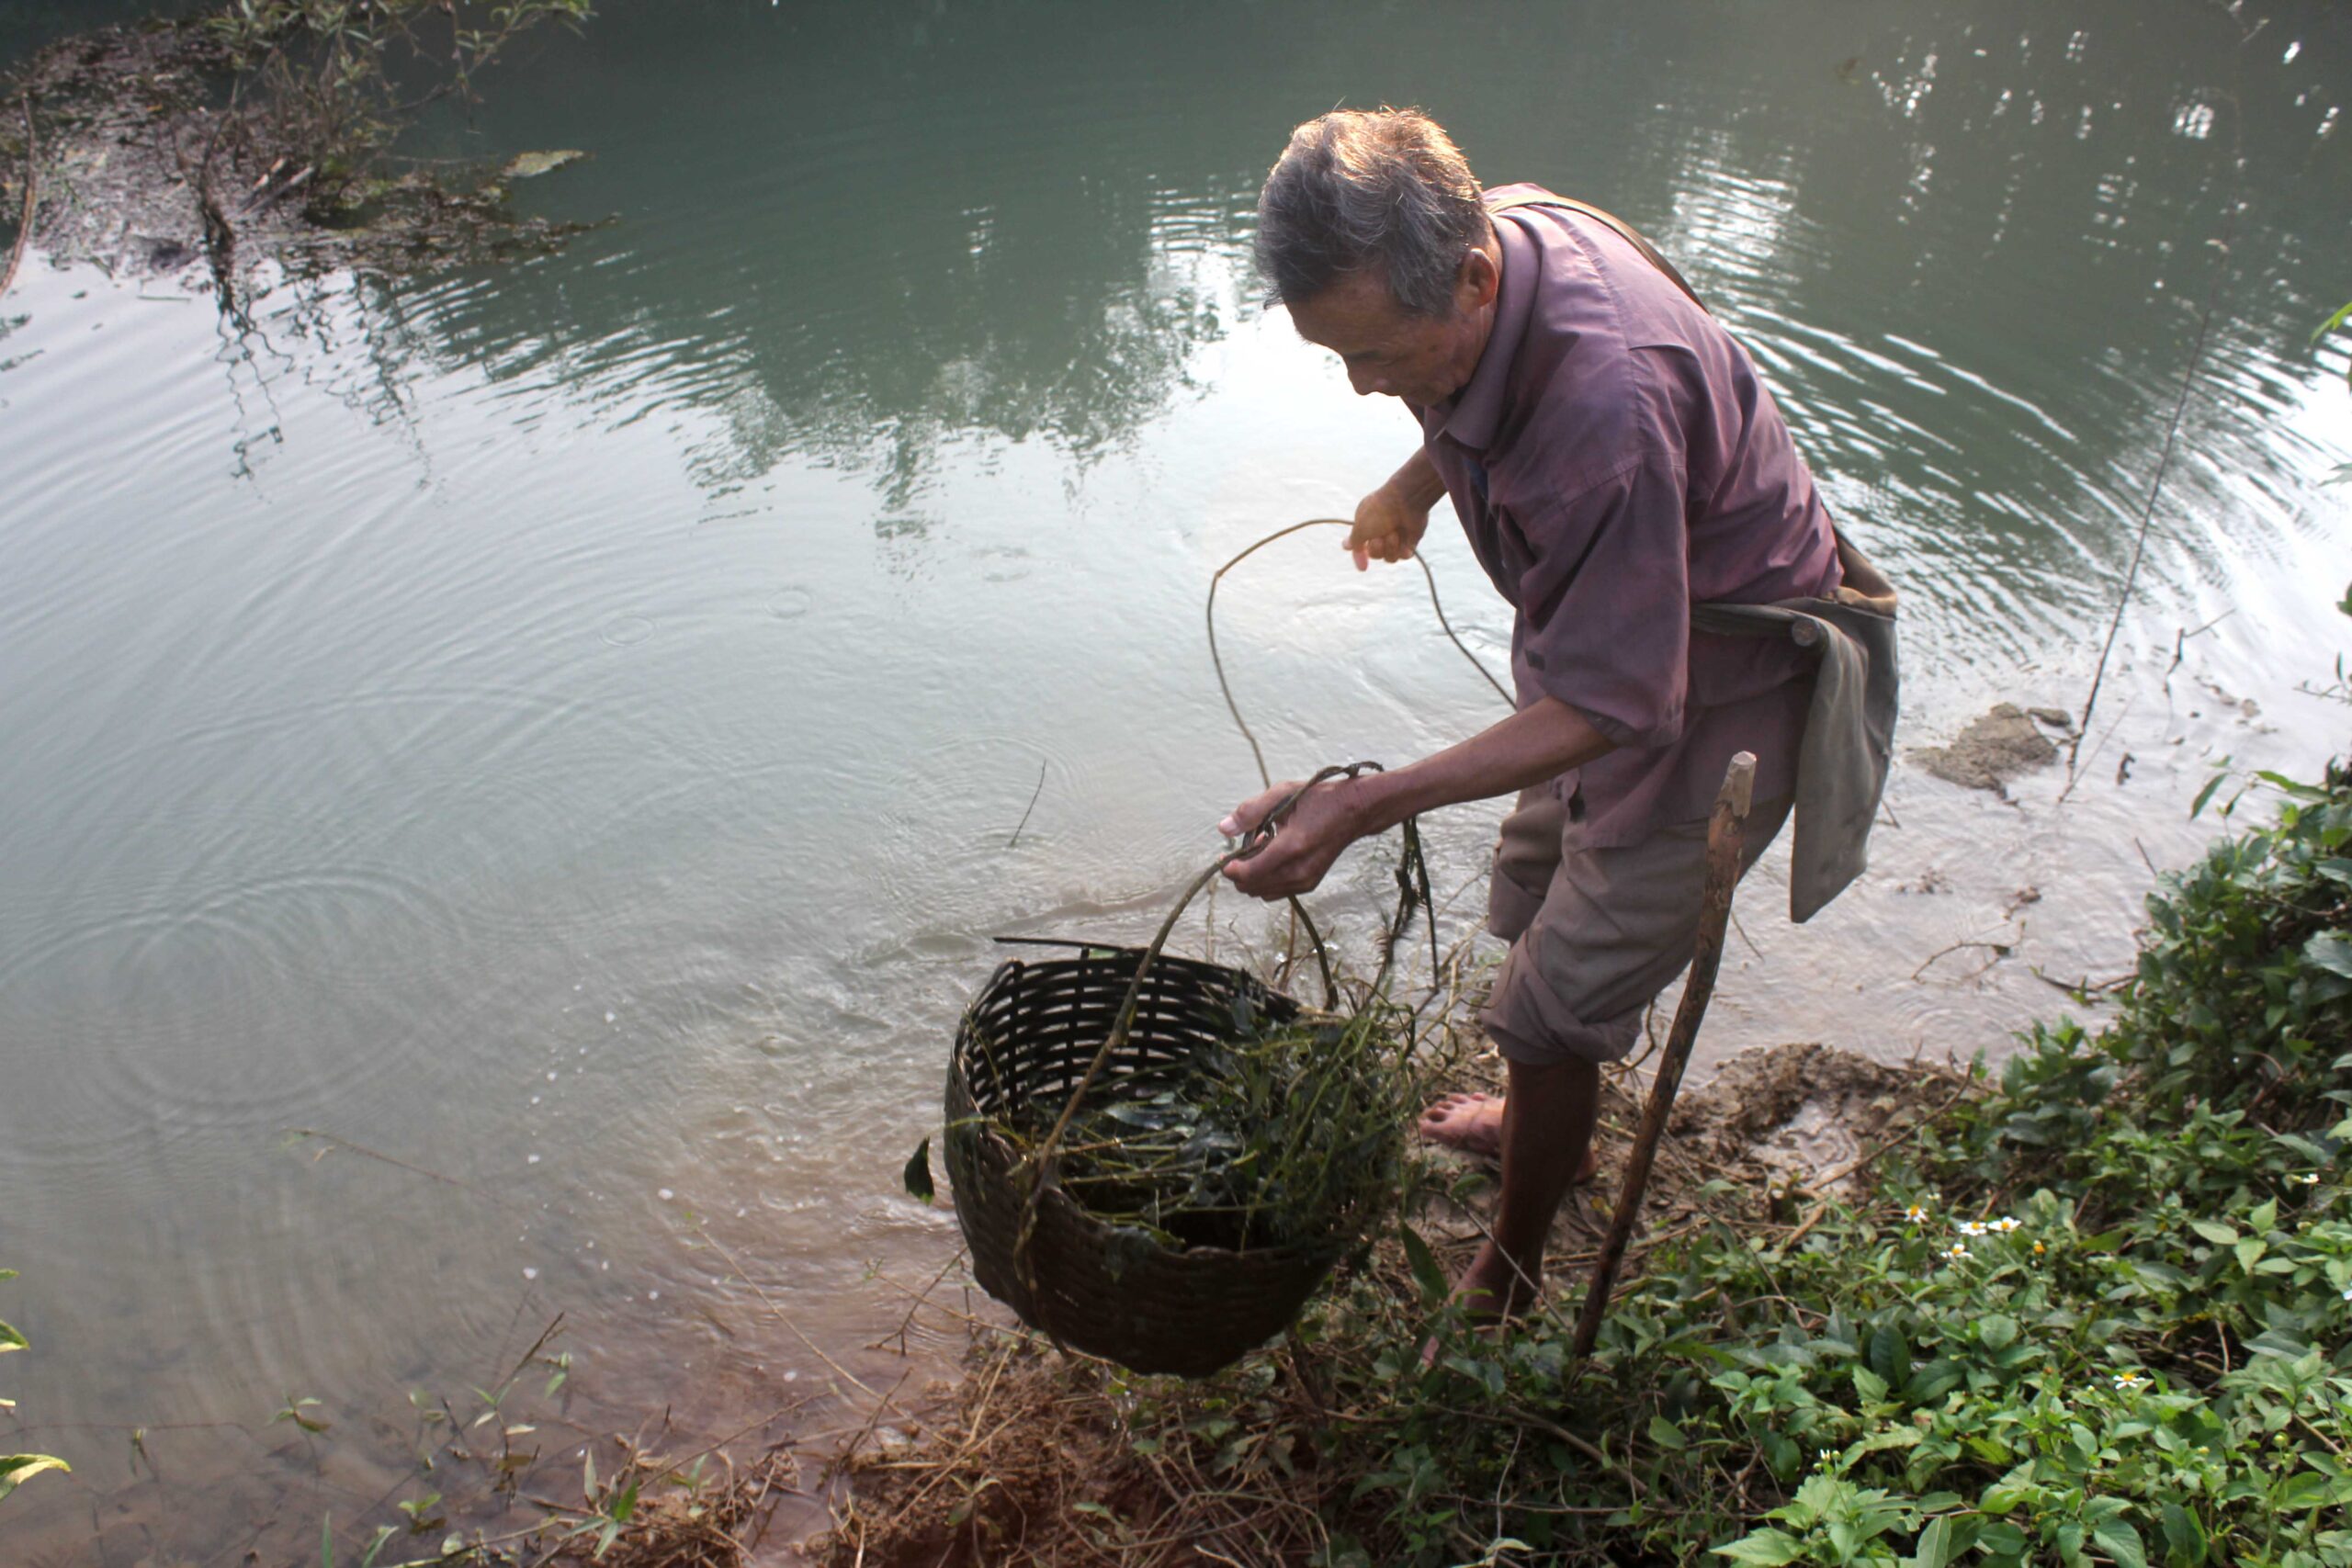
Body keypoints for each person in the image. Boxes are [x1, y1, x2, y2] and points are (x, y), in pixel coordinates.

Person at [1218, 107, 1895, 1325]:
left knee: (1552, 1004)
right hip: (1615, 632)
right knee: (1533, 888)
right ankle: (1539, 1112)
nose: (1367, 385)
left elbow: (1624, 701)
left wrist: (1362, 804)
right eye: (1338, 359)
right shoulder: (1495, 234)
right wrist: (1415, 482)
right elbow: (1471, 407)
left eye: (1376, 354)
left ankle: (1510, 1272)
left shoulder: (1606, 412)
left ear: (1472, 279)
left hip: (1718, 693)